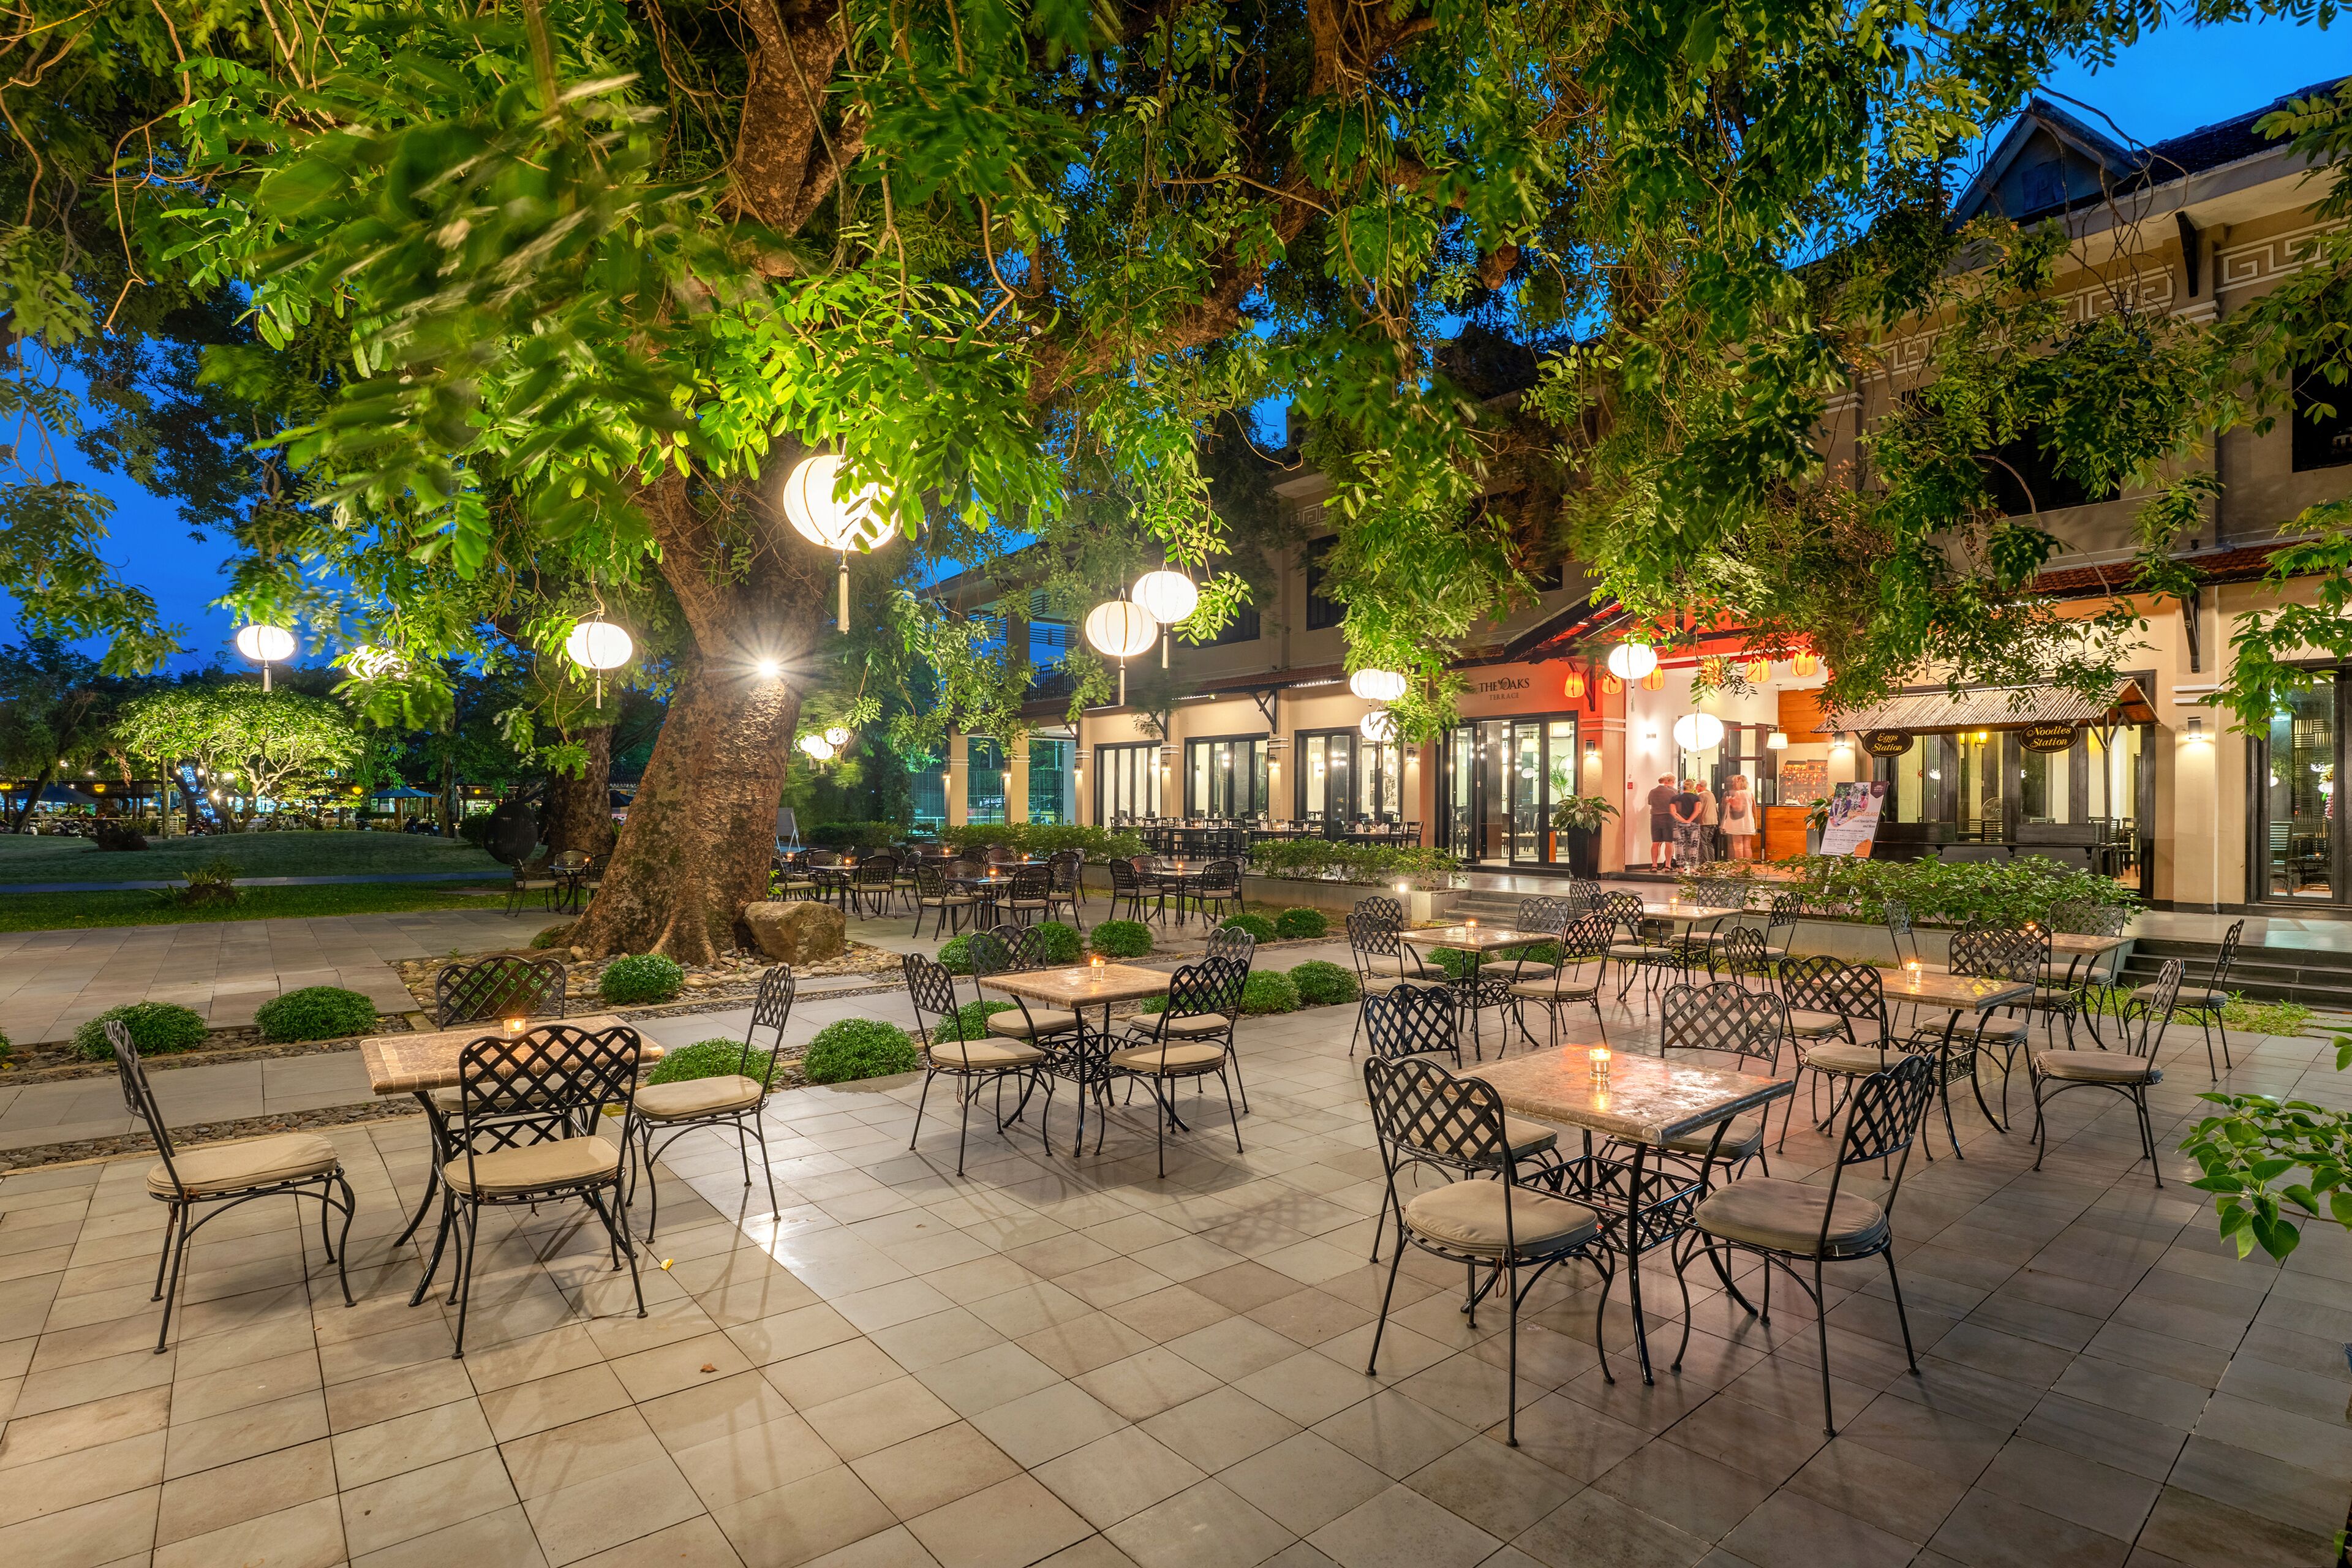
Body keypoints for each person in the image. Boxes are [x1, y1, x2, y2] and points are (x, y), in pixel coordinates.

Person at [1671, 778, 1705, 869]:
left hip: (1678, 824)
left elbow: (1673, 811)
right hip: (1694, 824)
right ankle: (1692, 867)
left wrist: (1682, 820)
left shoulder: (1675, 798)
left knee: (1679, 845)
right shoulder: (1696, 798)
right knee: (1693, 845)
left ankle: (1681, 868)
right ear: (1692, 787)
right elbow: (1697, 810)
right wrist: (1689, 820)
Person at [1646, 775, 1678, 870]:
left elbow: (1650, 803)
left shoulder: (1652, 792)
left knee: (1655, 843)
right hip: (1668, 818)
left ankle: (1654, 865)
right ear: (1669, 781)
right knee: (1669, 842)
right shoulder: (1672, 792)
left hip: (1655, 818)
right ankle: (1668, 865)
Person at [1722, 774, 1756, 861]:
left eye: (1734, 782)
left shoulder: (1738, 793)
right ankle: (1748, 867)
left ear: (1739, 782)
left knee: (1738, 846)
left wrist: (1730, 802)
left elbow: (1738, 808)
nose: (1733, 784)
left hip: (1738, 823)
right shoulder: (1750, 794)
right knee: (1747, 847)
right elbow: (1754, 809)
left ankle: (1739, 867)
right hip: (1749, 822)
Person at [1695, 778, 1719, 864]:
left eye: (1697, 786)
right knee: (1709, 842)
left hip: (1704, 821)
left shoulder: (1701, 795)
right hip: (1713, 821)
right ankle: (1712, 862)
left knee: (1703, 842)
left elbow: (1699, 809)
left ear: (1700, 786)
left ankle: (1705, 863)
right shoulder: (1711, 794)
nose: (1696, 788)